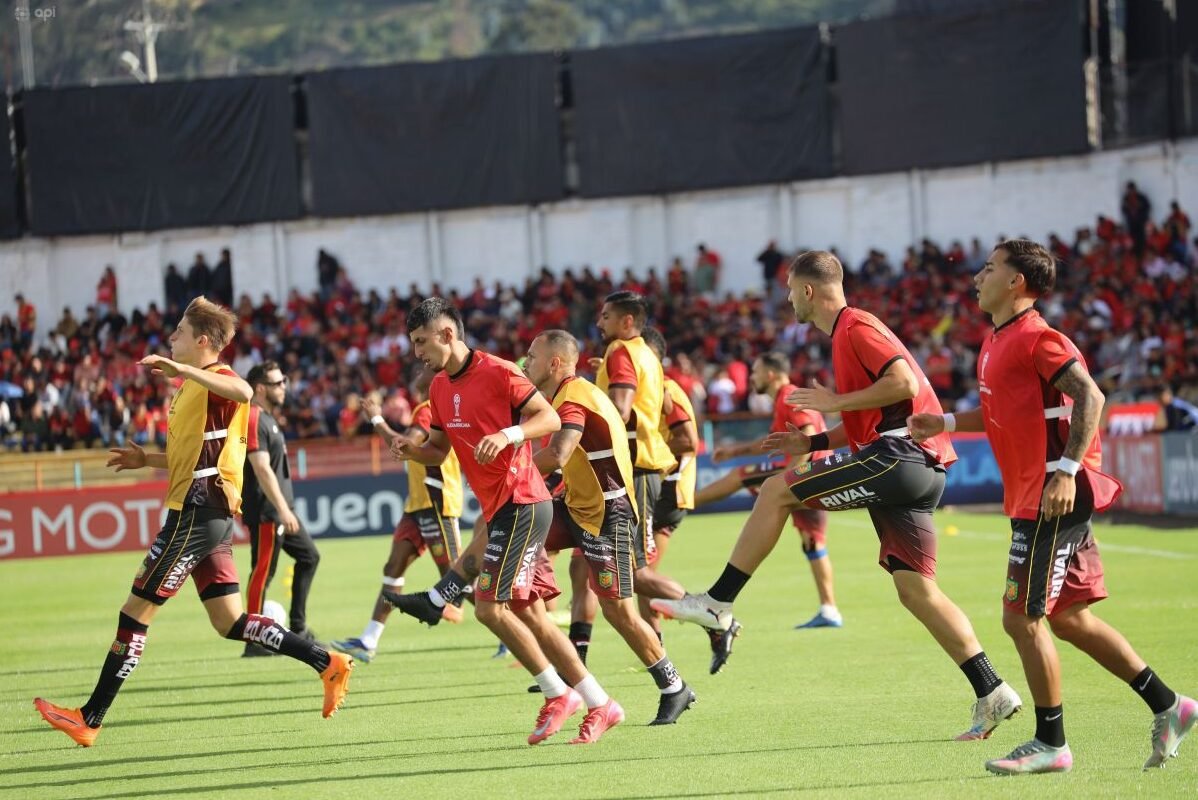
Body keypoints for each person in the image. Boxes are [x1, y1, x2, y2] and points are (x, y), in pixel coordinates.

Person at [652, 250, 1022, 741]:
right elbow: (873, 418)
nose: (786, 299)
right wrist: (814, 441)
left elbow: (903, 384)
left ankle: (719, 602)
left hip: (901, 459)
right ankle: (992, 690)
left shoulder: (855, 327)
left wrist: (835, 403)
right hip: (917, 466)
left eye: (789, 289)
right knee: (916, 590)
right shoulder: (848, 333)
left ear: (808, 290)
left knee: (776, 490)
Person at [909, 239, 1196, 774]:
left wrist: (1065, 470)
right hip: (1036, 494)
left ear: (1016, 282)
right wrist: (945, 423)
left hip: (1051, 496)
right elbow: (1001, 409)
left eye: (990, 268)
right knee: (1069, 619)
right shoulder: (999, 340)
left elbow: (1091, 398)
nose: (977, 276)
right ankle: (1169, 705)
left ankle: (1051, 742)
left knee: (1021, 618)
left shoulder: (1039, 337)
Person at [33, 298, 351, 747]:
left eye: (179, 332)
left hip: (197, 515)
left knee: (134, 613)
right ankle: (326, 662)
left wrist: (180, 370)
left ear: (202, 341)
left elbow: (244, 390)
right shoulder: (189, 389)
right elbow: (191, 456)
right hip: (206, 516)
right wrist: (147, 459)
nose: (171, 338)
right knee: (230, 622)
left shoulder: (218, 379)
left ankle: (90, 717)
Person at [385, 298, 622, 745]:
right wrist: (412, 451)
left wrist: (508, 433)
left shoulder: (498, 371)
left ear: (447, 335)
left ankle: (557, 693)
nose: (416, 351)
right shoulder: (437, 388)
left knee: (488, 607)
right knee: (530, 613)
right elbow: (439, 451)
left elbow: (548, 417)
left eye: (421, 341)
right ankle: (600, 702)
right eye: (413, 342)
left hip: (524, 501)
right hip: (502, 509)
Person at [525, 330, 695, 727]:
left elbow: (559, 452)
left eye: (531, 356)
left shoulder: (573, 397)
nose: (524, 363)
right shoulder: (568, 393)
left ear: (554, 363)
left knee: (619, 611)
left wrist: (508, 468)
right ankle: (452, 590)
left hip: (607, 514)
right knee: (516, 537)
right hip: (577, 505)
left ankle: (674, 686)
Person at [595, 292, 737, 667]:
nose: (599, 323)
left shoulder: (623, 353)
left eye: (606, 316)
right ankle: (663, 643)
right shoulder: (650, 363)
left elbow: (626, 411)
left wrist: (588, 410)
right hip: (643, 472)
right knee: (630, 570)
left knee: (635, 572)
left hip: (641, 472)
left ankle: (714, 618)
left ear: (627, 322)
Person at [693, 350, 843, 630]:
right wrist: (736, 450)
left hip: (808, 474)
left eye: (756, 372)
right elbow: (773, 440)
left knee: (743, 475)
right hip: (817, 474)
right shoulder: (785, 398)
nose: (751, 377)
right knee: (813, 543)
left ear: (771, 374)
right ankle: (830, 609)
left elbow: (808, 434)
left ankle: (681, 502)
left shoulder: (789, 395)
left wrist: (789, 478)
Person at [331, 370, 467, 663]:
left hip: (437, 502)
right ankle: (368, 640)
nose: (419, 370)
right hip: (416, 505)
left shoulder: (430, 408)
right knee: (394, 567)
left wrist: (377, 419)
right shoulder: (425, 409)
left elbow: (406, 445)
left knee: (458, 578)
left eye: (427, 368)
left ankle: (514, 625)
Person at [642, 326, 741, 673]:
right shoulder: (651, 390)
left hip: (668, 491)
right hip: (659, 490)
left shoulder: (666, 389)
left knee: (640, 575)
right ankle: (658, 653)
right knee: (640, 580)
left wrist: (651, 460)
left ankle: (711, 617)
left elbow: (687, 441)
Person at [241, 360, 322, 656]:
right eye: (278, 383)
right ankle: (253, 640)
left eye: (284, 381)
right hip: (267, 511)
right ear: (260, 388)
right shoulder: (252, 418)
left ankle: (298, 628)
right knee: (262, 572)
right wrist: (282, 509)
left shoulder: (269, 419)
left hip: (280, 510)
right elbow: (261, 468)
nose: (284, 388)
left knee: (309, 557)